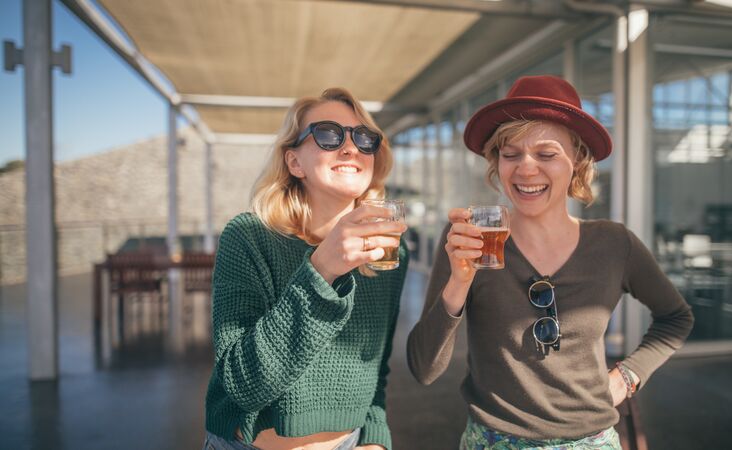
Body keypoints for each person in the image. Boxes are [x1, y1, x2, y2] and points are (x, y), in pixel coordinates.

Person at [406, 75, 694, 449]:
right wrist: (458, 284)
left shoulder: (612, 243)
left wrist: (627, 376)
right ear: (497, 163)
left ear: (577, 161)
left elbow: (676, 317)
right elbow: (424, 368)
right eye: (510, 154)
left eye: (546, 154)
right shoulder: (471, 238)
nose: (526, 169)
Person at [204, 87, 408, 450]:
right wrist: (321, 270)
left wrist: (376, 439)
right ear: (294, 162)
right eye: (329, 134)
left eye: (364, 138)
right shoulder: (249, 237)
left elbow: (375, 371)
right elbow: (242, 384)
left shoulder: (388, 251)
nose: (351, 148)